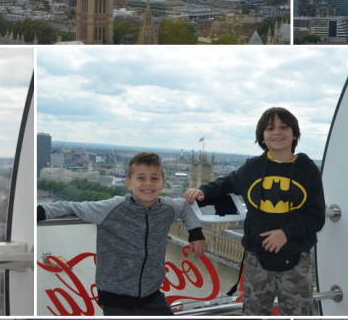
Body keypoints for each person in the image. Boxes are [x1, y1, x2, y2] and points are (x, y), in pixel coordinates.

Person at [184, 107, 325, 316]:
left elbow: (316, 216)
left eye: (283, 127)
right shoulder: (253, 167)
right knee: (254, 313)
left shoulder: (307, 169)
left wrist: (285, 233)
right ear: (262, 137)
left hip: (297, 257)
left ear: (294, 134)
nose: (276, 132)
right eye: (269, 128)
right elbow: (227, 182)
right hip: (257, 259)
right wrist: (203, 190)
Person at [37, 152, 207, 316]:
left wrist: (195, 232)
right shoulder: (112, 207)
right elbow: (71, 207)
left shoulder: (168, 207)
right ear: (128, 183)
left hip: (153, 296)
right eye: (141, 178)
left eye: (154, 178)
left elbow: (185, 206)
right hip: (116, 300)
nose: (148, 183)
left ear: (163, 183)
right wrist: (37, 212)